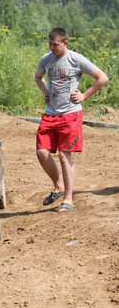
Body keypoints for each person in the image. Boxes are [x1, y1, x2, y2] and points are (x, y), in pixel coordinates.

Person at [34, 27, 109, 212]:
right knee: (42, 153)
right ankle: (58, 185)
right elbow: (38, 77)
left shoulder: (76, 59)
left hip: (71, 114)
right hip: (51, 113)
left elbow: (102, 78)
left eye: (55, 45)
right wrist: (46, 92)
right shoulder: (46, 59)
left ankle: (68, 199)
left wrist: (84, 95)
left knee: (63, 154)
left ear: (65, 43)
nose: (52, 47)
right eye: (50, 44)